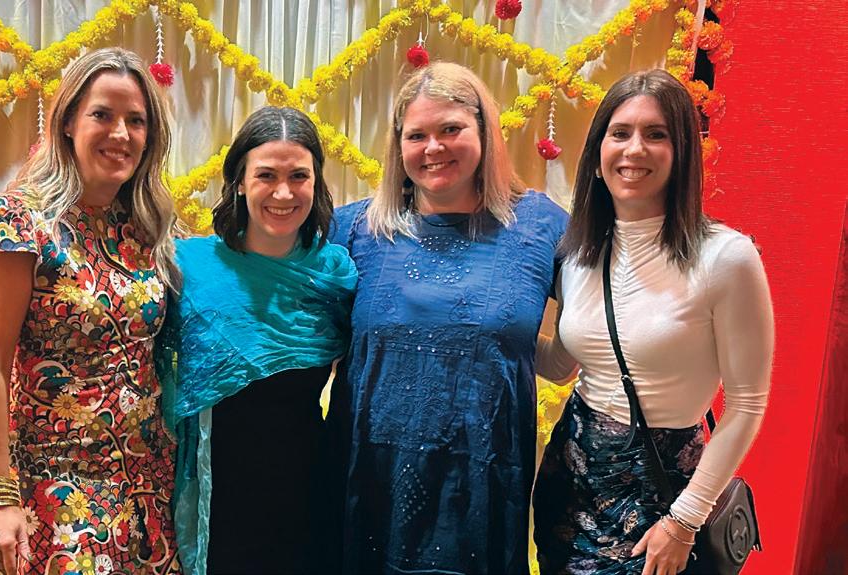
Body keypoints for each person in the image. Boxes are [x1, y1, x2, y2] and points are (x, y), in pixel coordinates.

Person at [327, 62, 569, 574]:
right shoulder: (354, 230)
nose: (433, 148)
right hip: (368, 486)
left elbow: (586, 334)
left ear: (484, 131)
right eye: (417, 135)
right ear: (398, 146)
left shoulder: (539, 226)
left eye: (451, 129)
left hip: (482, 492)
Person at [533, 69, 773, 575]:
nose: (634, 149)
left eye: (656, 134)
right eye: (619, 133)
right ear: (598, 154)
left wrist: (684, 522)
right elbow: (560, 365)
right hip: (569, 482)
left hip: (662, 495)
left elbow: (747, 403)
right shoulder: (578, 253)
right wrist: (486, 329)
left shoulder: (726, 257)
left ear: (682, 153)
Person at [0, 47, 181, 574]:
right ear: (67, 122)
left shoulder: (150, 227)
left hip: (151, 487)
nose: (121, 134)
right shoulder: (17, 221)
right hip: (60, 488)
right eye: (102, 115)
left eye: (136, 121)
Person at [155, 106, 357, 575]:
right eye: (266, 175)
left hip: (306, 489)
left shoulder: (335, 276)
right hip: (215, 493)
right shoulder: (190, 268)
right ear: (240, 182)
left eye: (298, 176)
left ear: (316, 183)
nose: (283, 193)